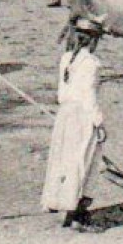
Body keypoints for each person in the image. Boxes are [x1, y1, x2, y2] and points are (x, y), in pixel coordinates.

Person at [42, 19, 106, 230]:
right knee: (83, 161)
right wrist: (99, 122)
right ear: (94, 40)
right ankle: (76, 213)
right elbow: (89, 96)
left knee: (64, 158)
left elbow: (62, 94)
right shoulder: (92, 64)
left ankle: (62, 205)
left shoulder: (66, 58)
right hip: (82, 116)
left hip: (65, 114)